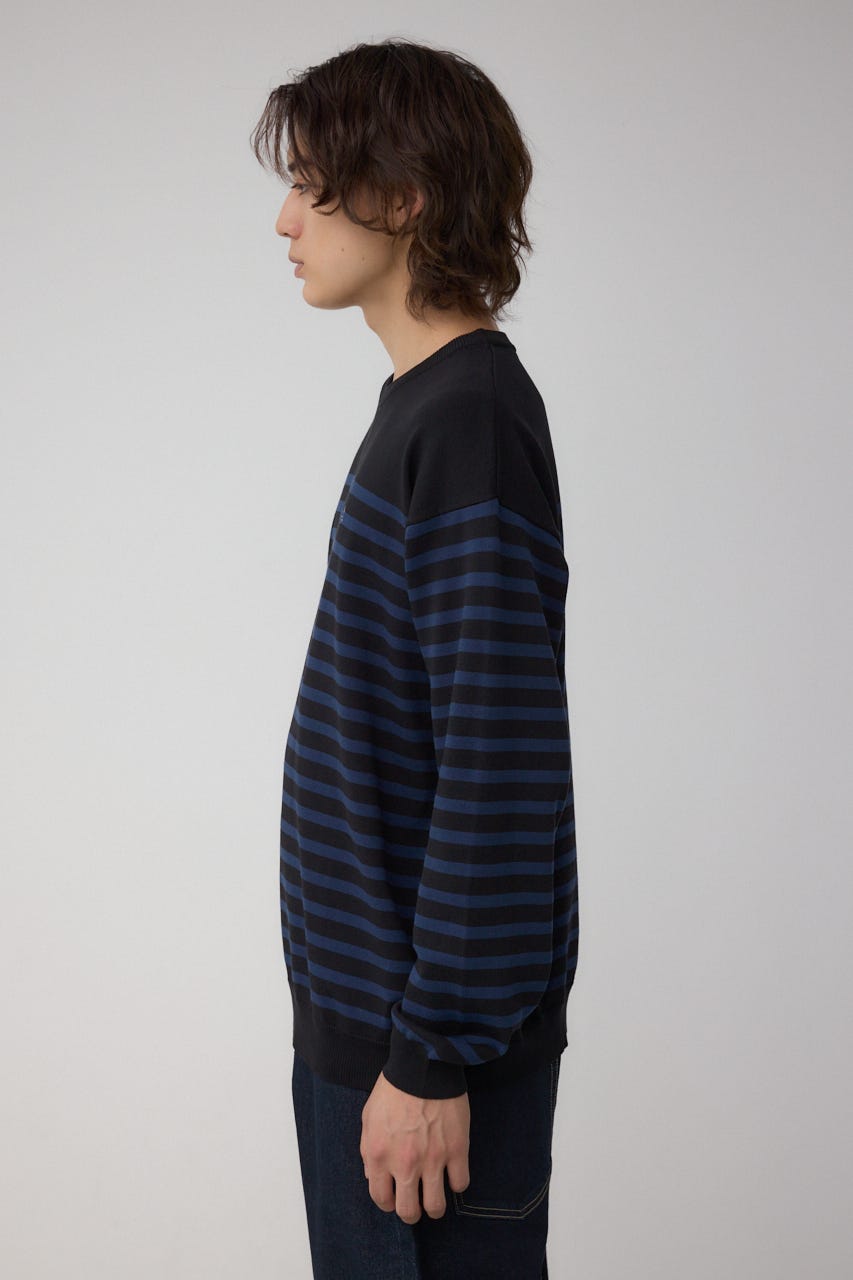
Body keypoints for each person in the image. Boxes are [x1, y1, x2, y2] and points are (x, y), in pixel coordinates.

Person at [250, 37, 580, 1280]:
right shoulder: (426, 409)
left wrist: (431, 1055)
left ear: (402, 196)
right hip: (380, 1038)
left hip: (422, 1063)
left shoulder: (468, 419)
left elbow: (497, 764)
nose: (285, 219)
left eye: (311, 183)